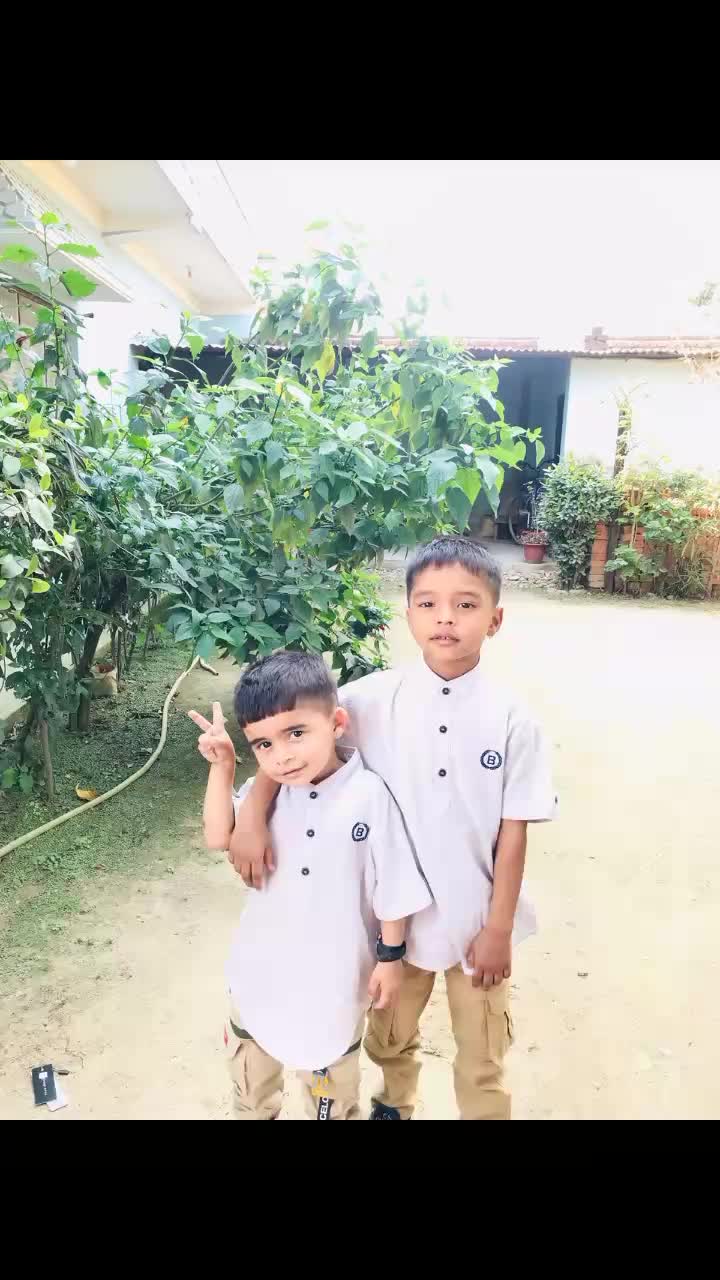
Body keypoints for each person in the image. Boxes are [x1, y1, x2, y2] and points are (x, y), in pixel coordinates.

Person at [230, 536, 556, 1121]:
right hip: (394, 929)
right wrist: (253, 815)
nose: (445, 618)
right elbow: (292, 742)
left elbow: (514, 835)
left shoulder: (513, 721)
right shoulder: (367, 700)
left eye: (465, 604)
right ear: (408, 614)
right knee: (389, 1040)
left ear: (495, 619)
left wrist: (500, 927)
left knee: (482, 1053)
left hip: (476, 923)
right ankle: (396, 1106)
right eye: (428, 604)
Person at [189, 650, 432, 1120]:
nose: (282, 756)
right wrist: (222, 769)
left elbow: (394, 887)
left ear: (336, 723)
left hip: (335, 984)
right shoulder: (268, 796)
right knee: (251, 1092)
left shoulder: (369, 797)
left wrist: (390, 959)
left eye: (296, 733)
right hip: (260, 976)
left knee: (332, 1100)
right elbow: (219, 835)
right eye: (263, 744)